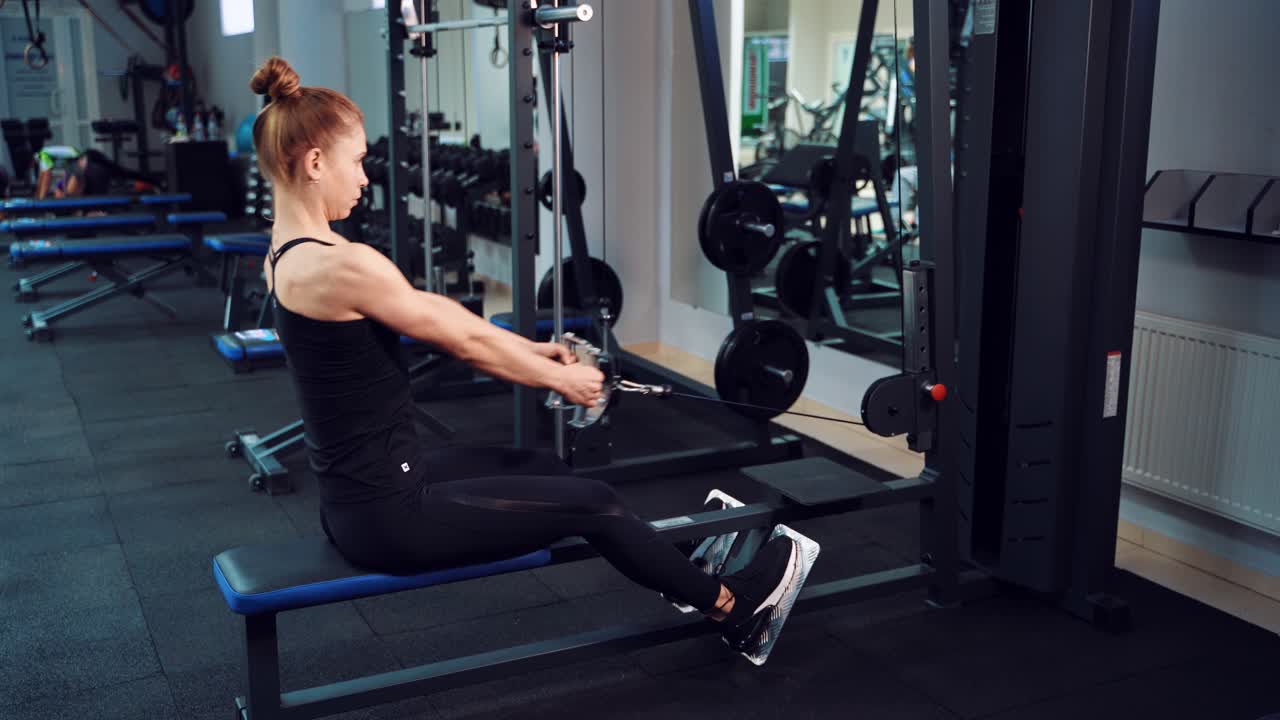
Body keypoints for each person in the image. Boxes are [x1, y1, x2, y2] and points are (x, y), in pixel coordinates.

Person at [247, 57, 803, 657]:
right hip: (388, 515)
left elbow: (438, 314)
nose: (363, 177)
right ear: (313, 163)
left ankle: (673, 572)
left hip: (362, 492)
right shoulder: (340, 264)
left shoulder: (286, 253)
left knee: (548, 469)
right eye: (356, 162)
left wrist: (530, 348)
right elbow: (460, 343)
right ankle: (736, 609)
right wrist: (566, 383)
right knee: (597, 503)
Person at [35, 145, 154, 199]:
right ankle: (150, 182)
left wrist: (39, 202)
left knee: (121, 174)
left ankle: (148, 183)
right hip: (86, 159)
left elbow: (46, 179)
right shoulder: (44, 155)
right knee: (121, 173)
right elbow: (41, 180)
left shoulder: (42, 155)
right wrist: (37, 196)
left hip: (87, 159)